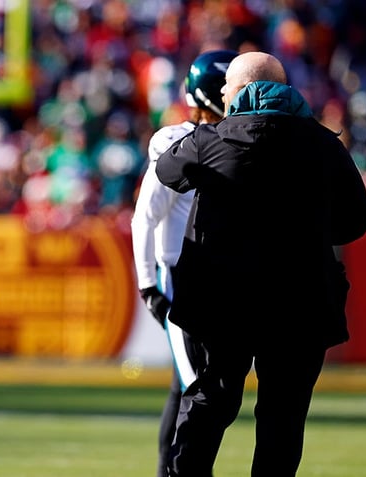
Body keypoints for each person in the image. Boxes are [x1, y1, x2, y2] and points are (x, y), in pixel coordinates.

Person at [155, 51, 366, 477]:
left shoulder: (211, 140)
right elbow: (356, 221)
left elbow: (167, 170)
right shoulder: (326, 145)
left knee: (207, 408)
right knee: (283, 421)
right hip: (301, 305)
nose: (221, 95)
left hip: (222, 305)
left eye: (227, 89)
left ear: (243, 90)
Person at [130, 49, 237, 477]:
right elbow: (146, 215)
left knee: (188, 385)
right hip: (179, 275)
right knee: (196, 386)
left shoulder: (238, 137)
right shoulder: (177, 141)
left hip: (214, 275)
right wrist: (147, 284)